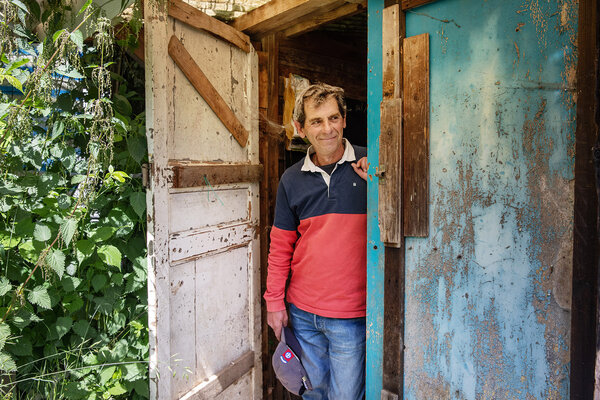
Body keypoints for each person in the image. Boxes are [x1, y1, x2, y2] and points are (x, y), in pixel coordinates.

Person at [264, 82, 368, 400]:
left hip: (351, 315)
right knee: (312, 394)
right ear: (301, 128)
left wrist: (380, 183)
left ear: (345, 120)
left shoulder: (372, 164)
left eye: (333, 118)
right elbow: (281, 246)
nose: (327, 129)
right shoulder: (291, 179)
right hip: (303, 313)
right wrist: (274, 303)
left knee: (346, 397)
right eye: (317, 121)